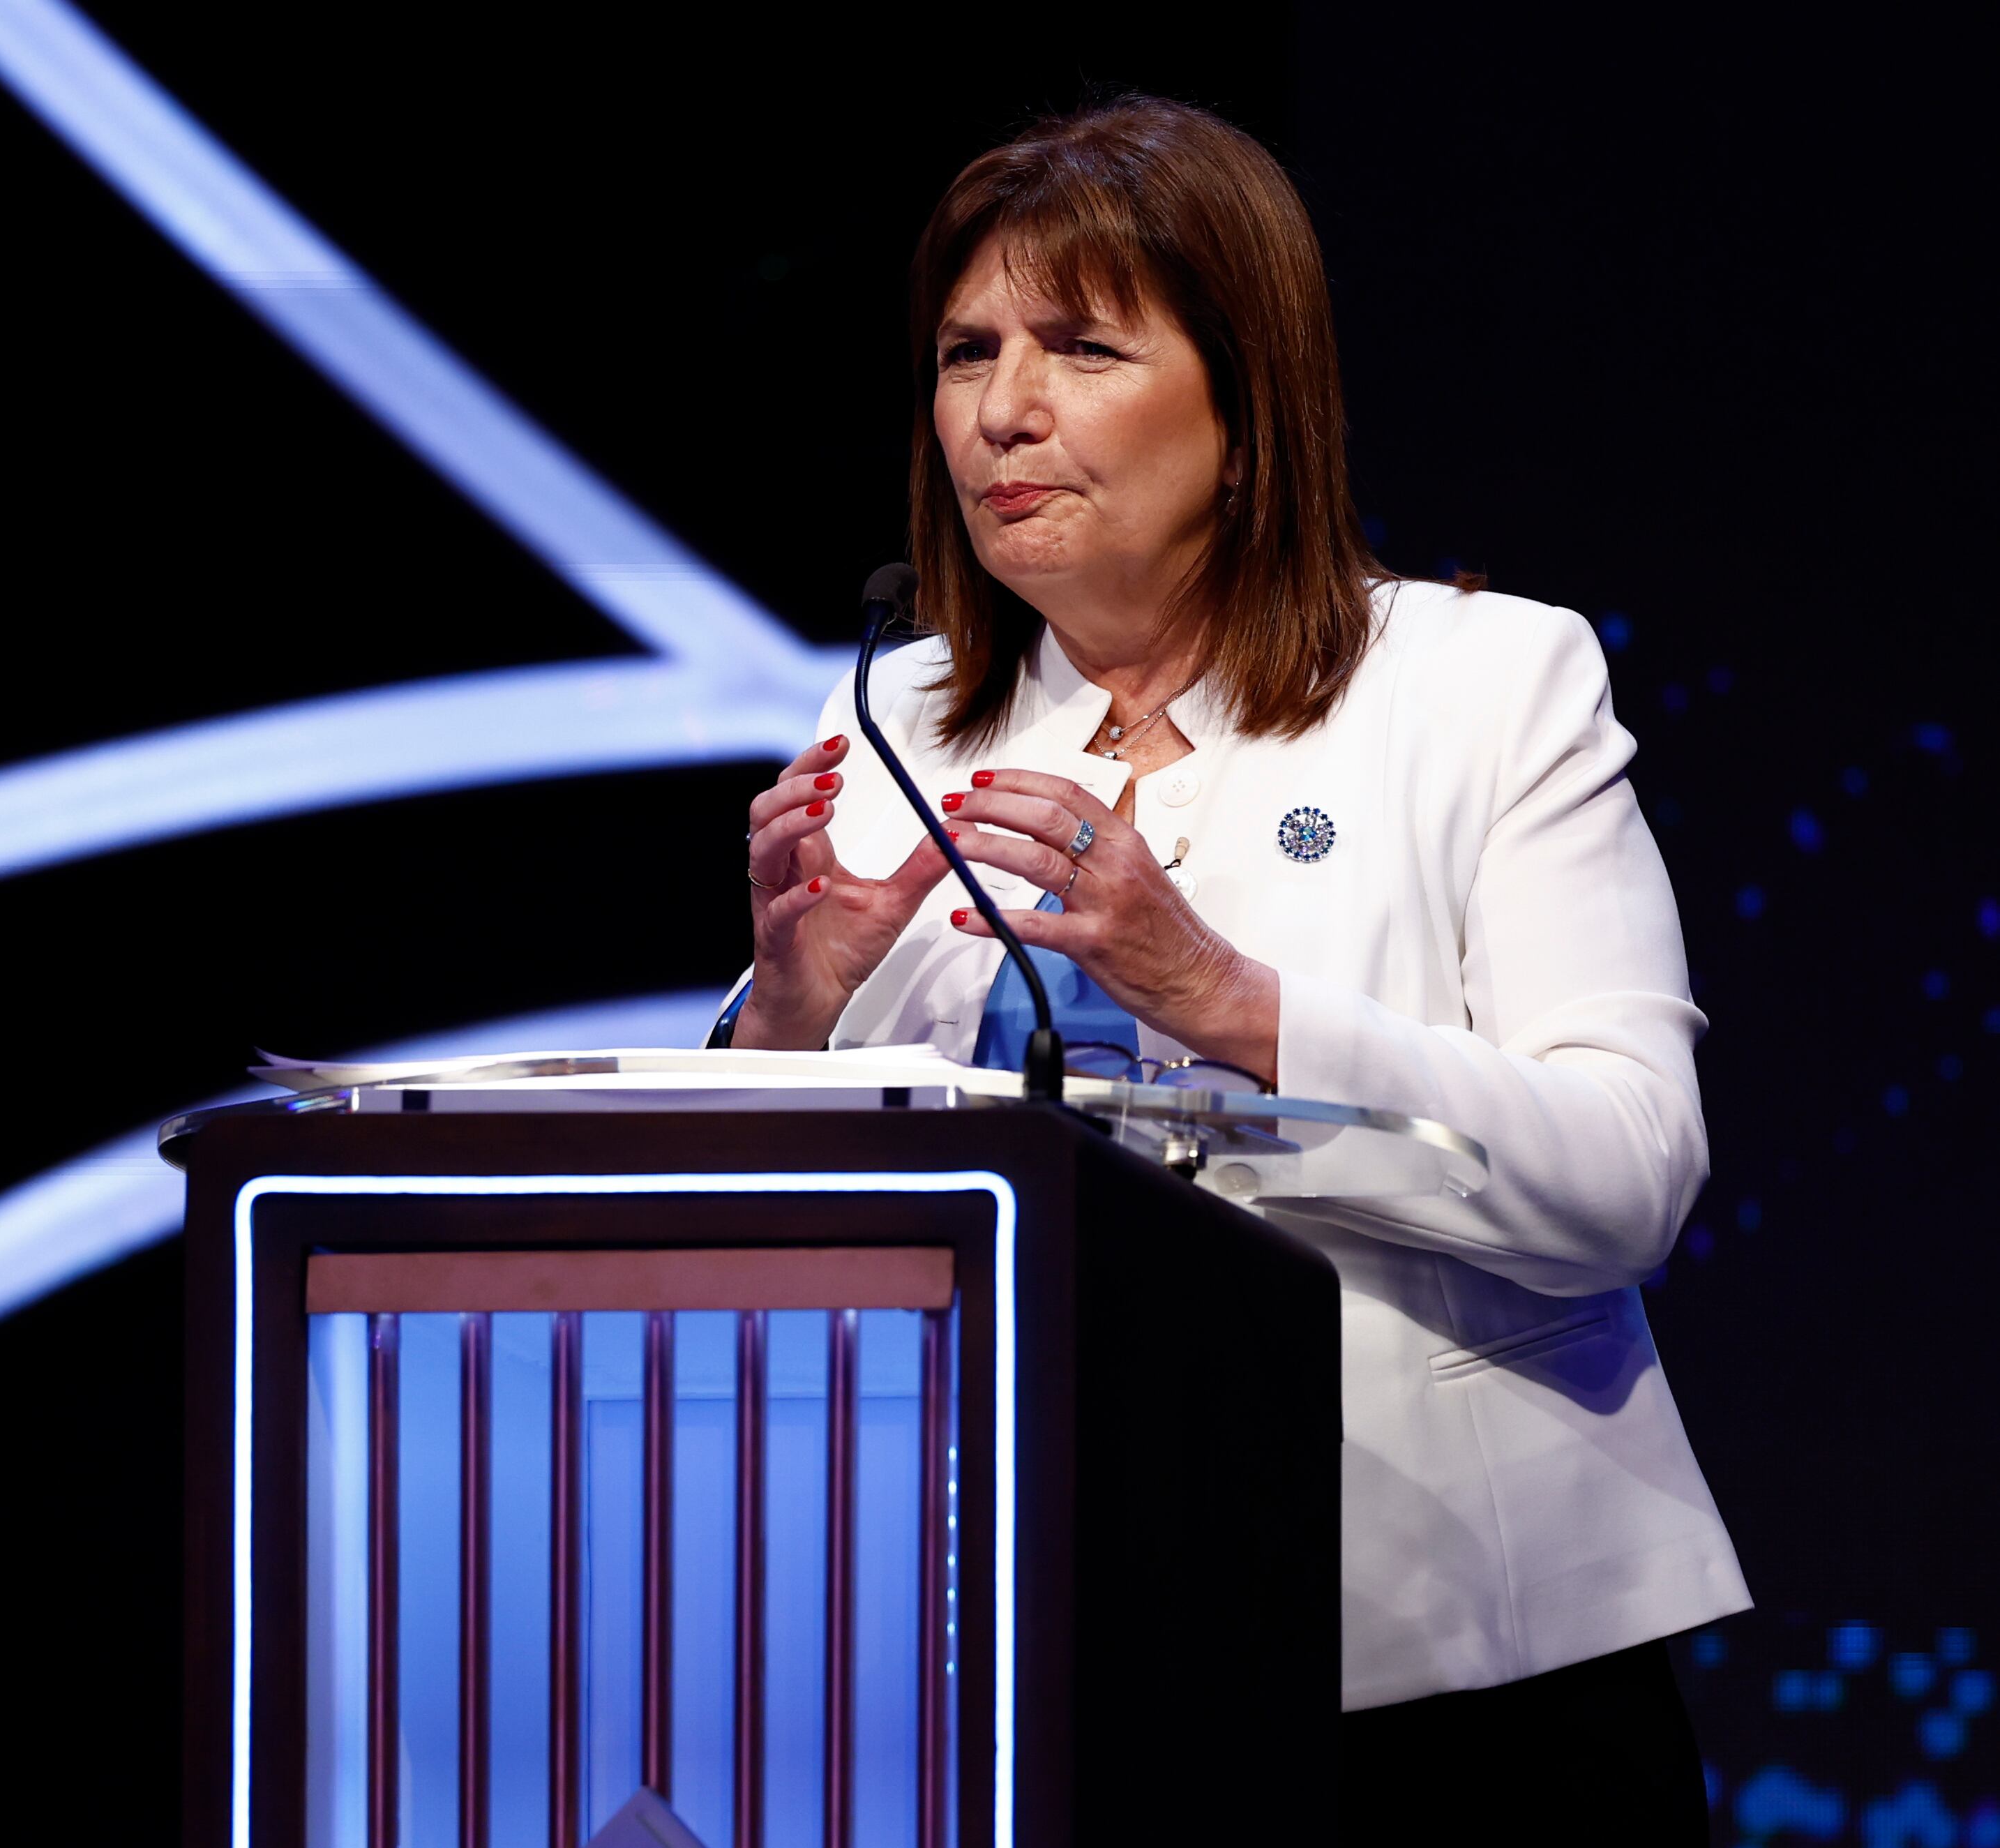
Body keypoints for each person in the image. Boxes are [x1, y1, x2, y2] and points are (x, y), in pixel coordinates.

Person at [719, 97, 1745, 1840]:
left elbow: (1629, 1172)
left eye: (1080, 346)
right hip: (1013, 1652)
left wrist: (1231, 1001)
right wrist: (792, 1017)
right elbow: (825, 1228)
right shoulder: (894, 715)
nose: (1001, 410)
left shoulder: (1485, 684)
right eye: (968, 351)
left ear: (1248, 404)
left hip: (1453, 1686)